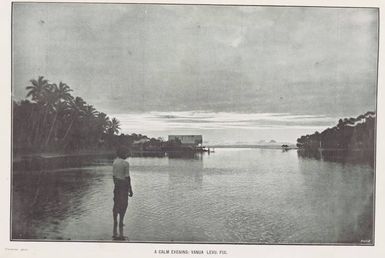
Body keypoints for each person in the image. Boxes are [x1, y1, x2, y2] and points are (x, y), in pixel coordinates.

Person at [112, 147, 133, 240]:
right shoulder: (125, 163)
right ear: (123, 154)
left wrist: (116, 184)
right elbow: (127, 177)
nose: (127, 155)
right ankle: (121, 221)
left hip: (117, 184)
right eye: (126, 153)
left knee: (116, 203)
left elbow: (113, 176)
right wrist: (130, 189)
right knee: (124, 204)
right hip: (123, 185)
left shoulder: (115, 162)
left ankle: (115, 222)